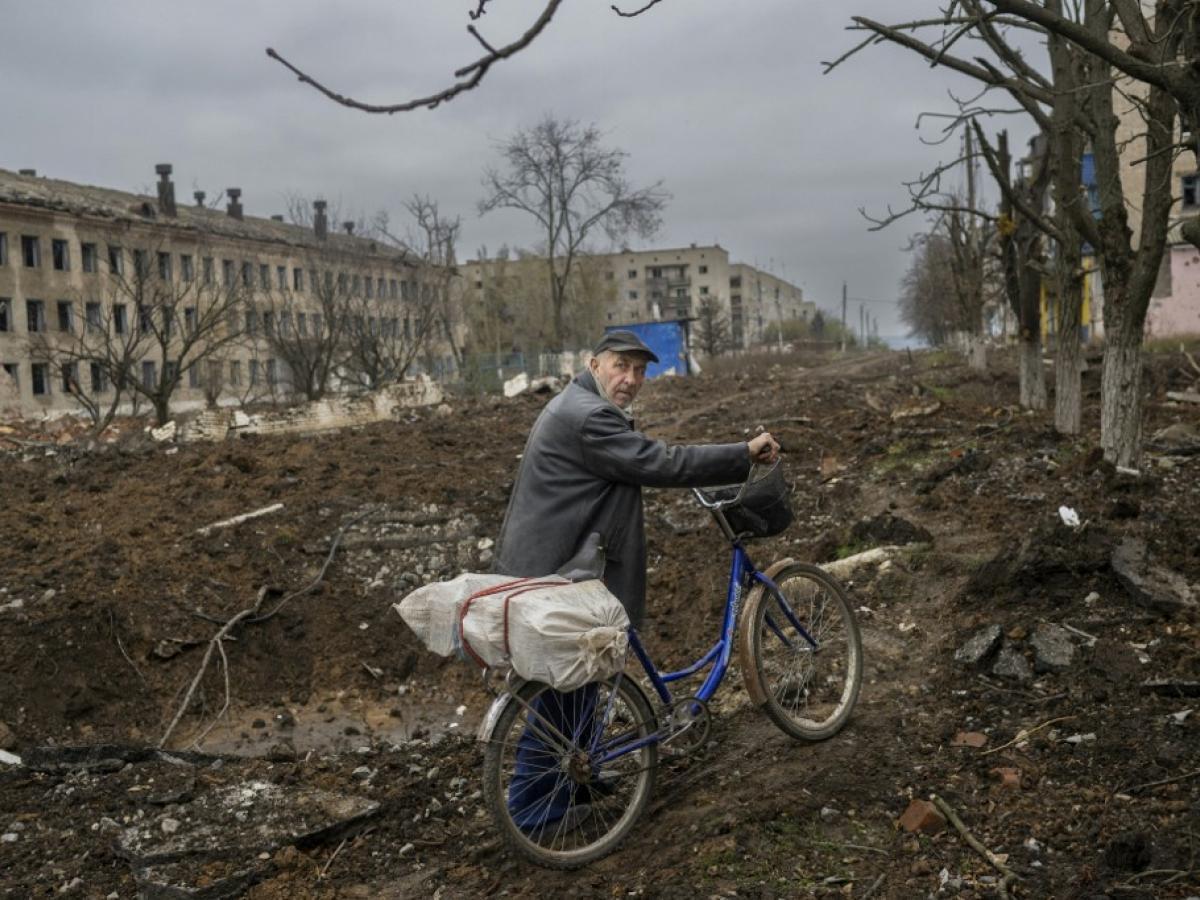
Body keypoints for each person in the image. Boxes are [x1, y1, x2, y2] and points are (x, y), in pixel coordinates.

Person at [494, 330, 779, 834]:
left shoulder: (579, 403)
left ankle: (576, 778)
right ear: (594, 364)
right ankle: (535, 809)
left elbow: (628, 465)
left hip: (556, 561)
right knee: (566, 688)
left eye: (640, 370)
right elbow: (659, 462)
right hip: (558, 570)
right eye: (621, 366)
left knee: (581, 680)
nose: (630, 379)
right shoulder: (589, 417)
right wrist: (743, 454)